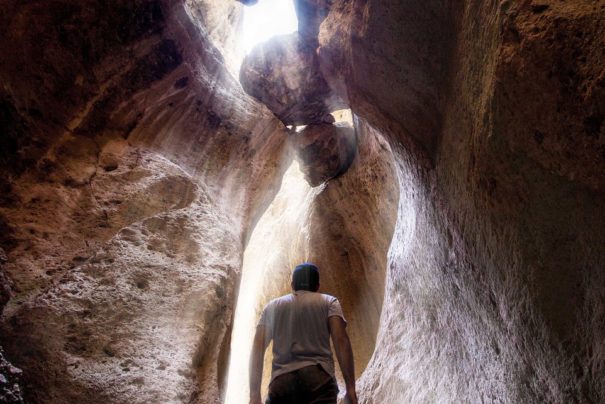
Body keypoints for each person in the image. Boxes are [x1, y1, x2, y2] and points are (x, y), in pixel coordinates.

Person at [249, 263, 358, 404]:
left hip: (282, 381)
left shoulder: (272, 307)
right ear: (317, 285)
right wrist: (350, 388)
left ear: (292, 284)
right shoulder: (329, 302)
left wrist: (254, 395)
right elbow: (341, 341)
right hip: (319, 379)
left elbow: (257, 349)